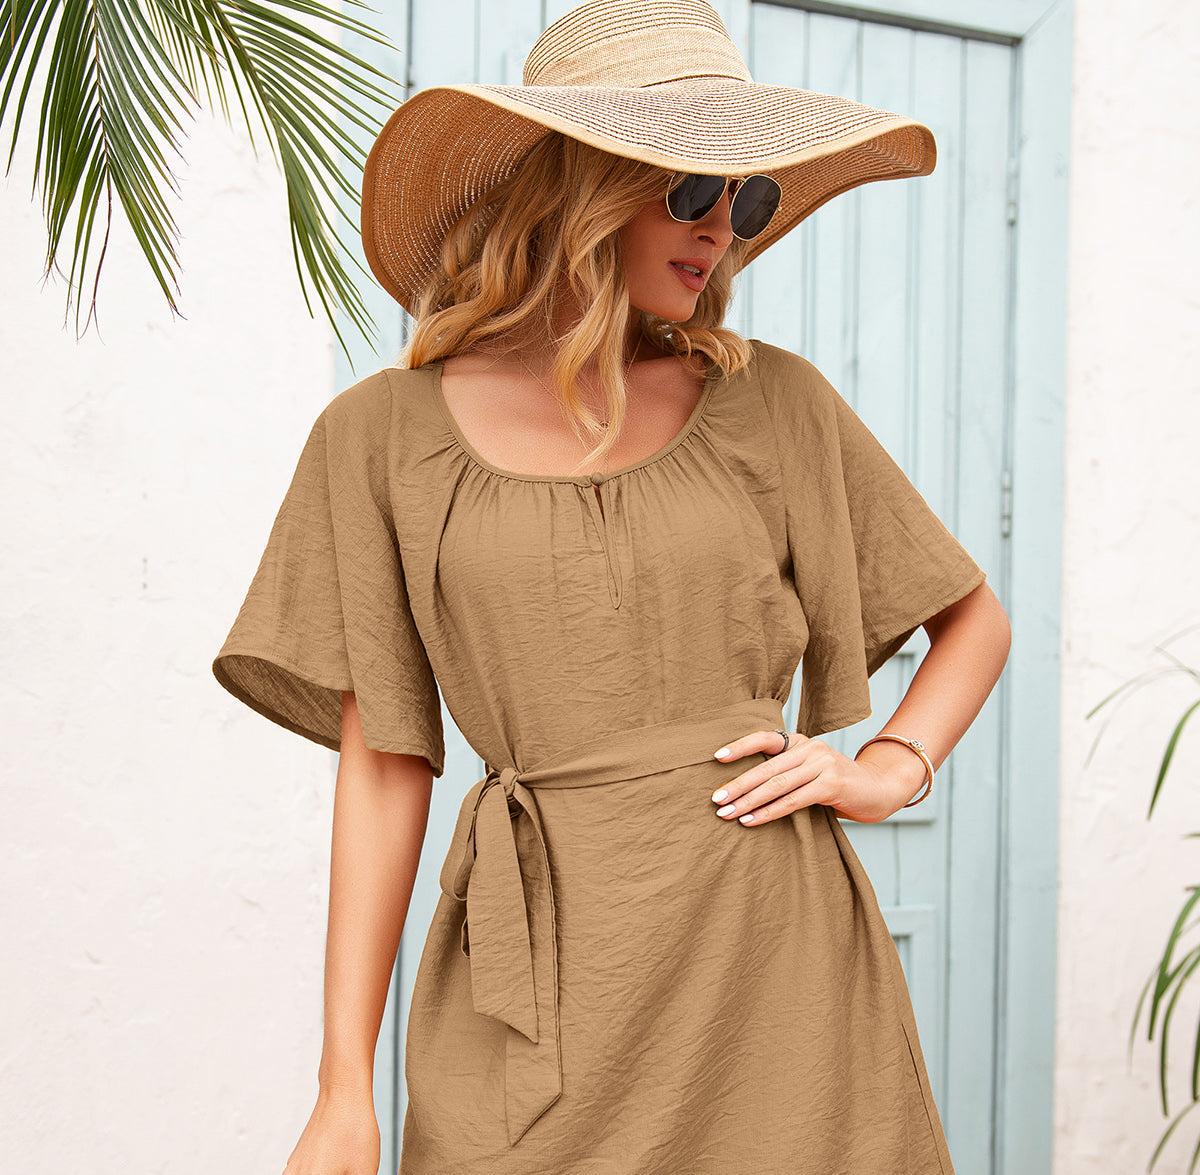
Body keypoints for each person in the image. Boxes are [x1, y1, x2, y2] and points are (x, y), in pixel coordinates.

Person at [212, 1, 1011, 1172]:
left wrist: (889, 766)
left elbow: (972, 619)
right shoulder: (377, 437)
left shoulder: (775, 403)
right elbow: (383, 756)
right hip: (533, 978)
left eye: (746, 202)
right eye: (695, 190)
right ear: (582, 181)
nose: (724, 232)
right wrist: (344, 1083)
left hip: (771, 965)